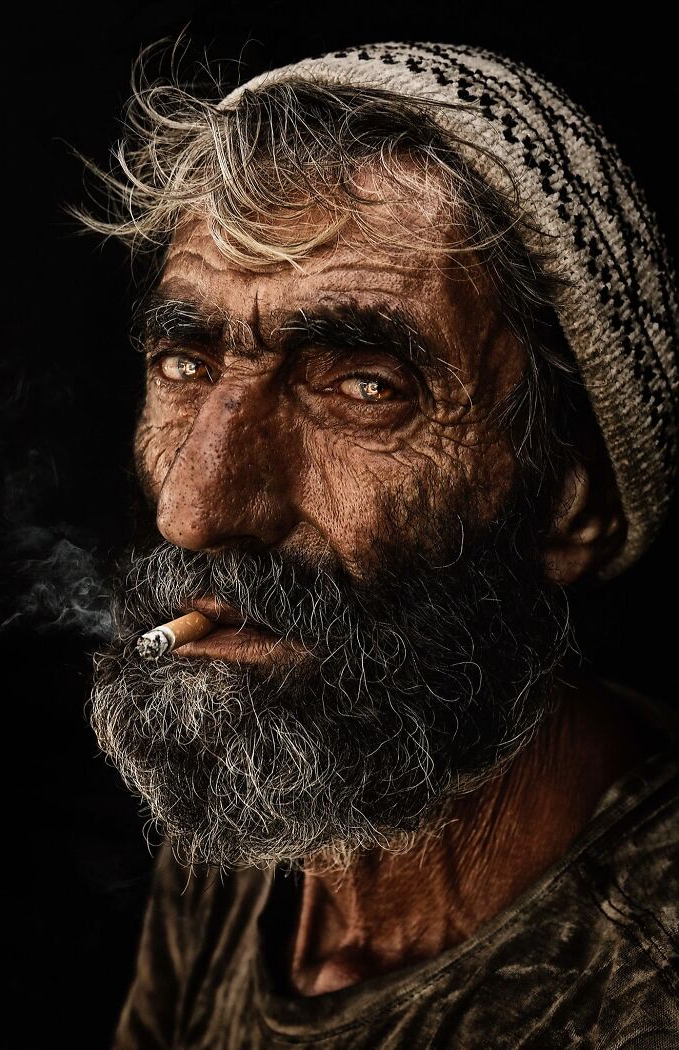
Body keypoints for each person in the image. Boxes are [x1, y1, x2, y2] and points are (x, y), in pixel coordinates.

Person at [82, 40, 679, 1049]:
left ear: (569, 504)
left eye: (364, 386)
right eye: (185, 360)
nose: (195, 506)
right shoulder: (267, 787)